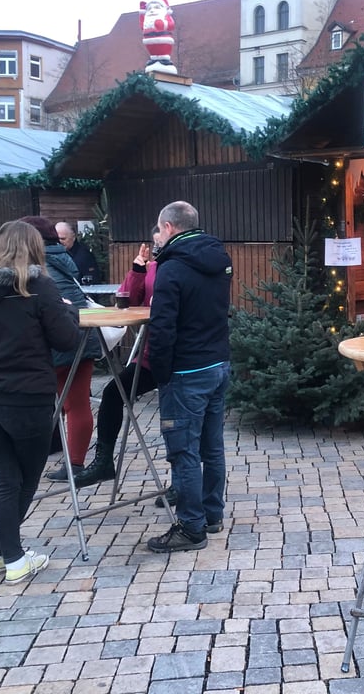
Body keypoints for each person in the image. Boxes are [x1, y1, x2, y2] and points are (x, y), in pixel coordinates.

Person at [0, 220, 81, 584]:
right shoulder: (38, 285)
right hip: (27, 398)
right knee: (23, 481)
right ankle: (13, 559)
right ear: (32, 248)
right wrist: (68, 309)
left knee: (6, 479)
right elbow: (66, 339)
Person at [145, 201, 232, 553]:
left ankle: (191, 527)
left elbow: (162, 327)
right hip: (218, 363)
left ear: (167, 227)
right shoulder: (218, 257)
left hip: (186, 370)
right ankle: (212, 515)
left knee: (183, 451)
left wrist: (160, 373)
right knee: (212, 447)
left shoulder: (172, 267)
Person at [72, 227, 163, 489]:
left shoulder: (178, 269)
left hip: (175, 358)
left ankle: (182, 483)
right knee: (113, 393)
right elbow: (126, 299)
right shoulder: (151, 268)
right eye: (154, 244)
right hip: (150, 356)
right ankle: (103, 463)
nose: (156, 249)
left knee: (174, 418)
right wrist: (137, 271)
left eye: (160, 243)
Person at [20, 216, 100, 481]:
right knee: (77, 404)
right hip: (81, 338)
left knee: (35, 404)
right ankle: (75, 464)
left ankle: (25, 461)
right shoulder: (63, 261)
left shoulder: (35, 269)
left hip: (53, 345)